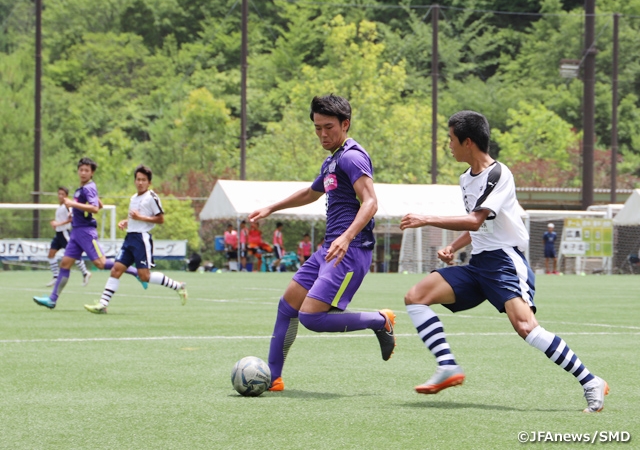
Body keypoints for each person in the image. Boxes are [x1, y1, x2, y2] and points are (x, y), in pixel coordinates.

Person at [400, 110, 608, 413]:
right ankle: (447, 366)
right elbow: (480, 226)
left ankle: (591, 381)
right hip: (479, 264)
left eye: (451, 140)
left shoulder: (499, 174)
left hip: (505, 263)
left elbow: (474, 220)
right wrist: (454, 247)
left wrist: (426, 218)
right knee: (416, 297)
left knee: (526, 327)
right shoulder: (465, 179)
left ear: (468, 142)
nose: (449, 145)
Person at [249, 94, 395, 392]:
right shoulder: (332, 160)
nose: (322, 134)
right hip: (328, 249)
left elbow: (371, 202)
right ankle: (273, 378)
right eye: (317, 128)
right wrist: (271, 208)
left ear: (345, 124)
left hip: (350, 252)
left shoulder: (353, 156)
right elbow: (311, 193)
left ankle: (380, 321)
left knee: (311, 317)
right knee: (287, 304)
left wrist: (347, 236)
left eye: (328, 127)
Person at [33, 157, 140, 310]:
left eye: (87, 171)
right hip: (76, 232)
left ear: (92, 173)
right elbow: (99, 204)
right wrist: (91, 201)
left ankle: (134, 271)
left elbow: (95, 209)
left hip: (86, 232)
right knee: (65, 263)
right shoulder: (83, 188)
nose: (83, 173)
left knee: (101, 263)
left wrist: (72, 203)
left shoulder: (88, 187)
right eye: (81, 170)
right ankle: (52, 299)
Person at [84, 165, 187, 313]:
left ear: (149, 182)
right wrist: (127, 222)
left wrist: (140, 218)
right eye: (138, 179)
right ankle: (102, 305)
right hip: (129, 238)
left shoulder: (152, 197)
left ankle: (178, 286)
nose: (140, 182)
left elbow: (160, 219)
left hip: (141, 239)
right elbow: (135, 217)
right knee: (116, 270)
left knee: (144, 276)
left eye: (143, 180)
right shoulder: (134, 197)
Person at [46, 186, 91, 287]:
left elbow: (72, 219)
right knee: (50, 254)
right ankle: (56, 276)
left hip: (64, 233)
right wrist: (56, 225)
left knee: (73, 254)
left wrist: (58, 224)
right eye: (59, 194)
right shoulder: (60, 207)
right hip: (58, 234)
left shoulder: (67, 206)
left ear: (66, 196)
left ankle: (85, 273)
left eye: (63, 194)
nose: (60, 196)